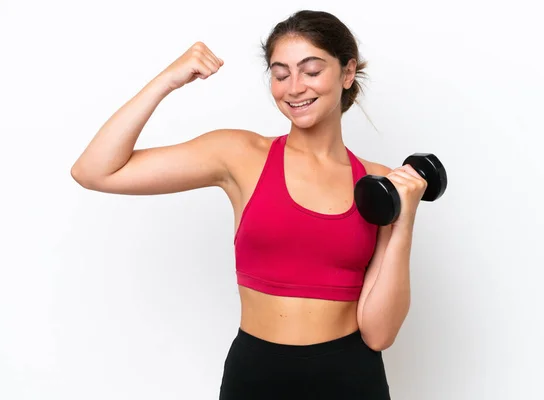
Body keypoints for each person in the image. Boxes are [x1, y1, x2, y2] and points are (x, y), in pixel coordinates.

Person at [70, 9, 427, 400]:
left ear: (346, 73)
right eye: (280, 74)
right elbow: (95, 171)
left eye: (311, 71)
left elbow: (380, 333)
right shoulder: (240, 155)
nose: (294, 88)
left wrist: (404, 222)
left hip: (350, 377)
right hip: (256, 375)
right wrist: (167, 80)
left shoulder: (379, 185)